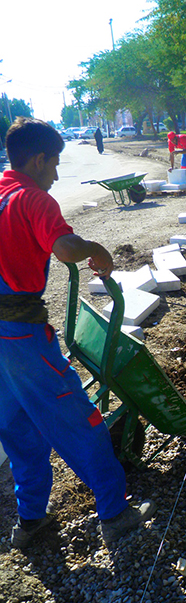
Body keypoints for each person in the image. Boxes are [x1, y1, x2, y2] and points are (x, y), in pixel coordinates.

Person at [0, 117, 156, 550]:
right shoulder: (33, 199)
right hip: (20, 339)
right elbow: (65, 249)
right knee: (79, 421)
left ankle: (30, 521)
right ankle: (115, 512)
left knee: (17, 432)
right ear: (38, 159)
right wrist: (95, 249)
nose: (55, 175)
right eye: (54, 165)